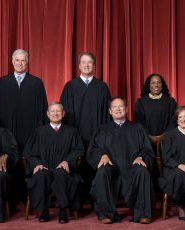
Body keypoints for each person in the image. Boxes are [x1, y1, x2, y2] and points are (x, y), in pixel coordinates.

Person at [0, 49, 48, 207]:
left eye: (23, 60)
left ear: (27, 62)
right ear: (12, 62)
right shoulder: (2, 83)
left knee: (28, 161)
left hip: (30, 131)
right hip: (7, 131)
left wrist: (40, 135)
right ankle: (9, 198)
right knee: (8, 161)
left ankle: (29, 198)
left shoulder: (37, 83)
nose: (20, 63)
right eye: (17, 60)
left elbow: (43, 109)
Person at [87, 97, 155, 224]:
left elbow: (147, 149)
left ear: (127, 109)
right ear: (110, 111)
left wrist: (141, 157)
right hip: (112, 170)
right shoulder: (103, 129)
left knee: (142, 170)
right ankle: (106, 214)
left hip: (132, 169)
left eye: (121, 106)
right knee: (102, 172)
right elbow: (93, 149)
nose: (118, 109)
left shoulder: (137, 128)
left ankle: (143, 214)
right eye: (115, 107)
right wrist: (102, 155)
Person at [60, 52, 111, 201]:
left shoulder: (102, 87)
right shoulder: (70, 87)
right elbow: (64, 115)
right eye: (84, 62)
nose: (87, 65)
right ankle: (77, 200)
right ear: (79, 65)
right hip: (77, 135)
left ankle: (98, 200)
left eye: (90, 62)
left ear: (94, 65)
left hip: (97, 136)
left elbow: (108, 115)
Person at [23, 102, 84, 223]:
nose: (56, 114)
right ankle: (43, 211)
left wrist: (67, 161)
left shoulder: (72, 132)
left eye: (58, 111)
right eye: (53, 111)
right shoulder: (39, 132)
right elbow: (29, 153)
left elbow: (78, 150)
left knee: (61, 174)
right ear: (47, 114)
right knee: (40, 175)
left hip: (63, 169)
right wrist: (37, 164)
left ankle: (62, 210)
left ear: (63, 113)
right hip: (44, 167)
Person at [134, 73, 177, 144]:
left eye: (158, 82)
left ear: (162, 85)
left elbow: (174, 120)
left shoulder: (170, 101)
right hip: (146, 140)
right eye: (153, 83)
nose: (156, 85)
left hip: (167, 140)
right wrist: (149, 136)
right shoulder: (141, 102)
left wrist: (164, 135)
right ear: (149, 85)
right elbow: (139, 121)